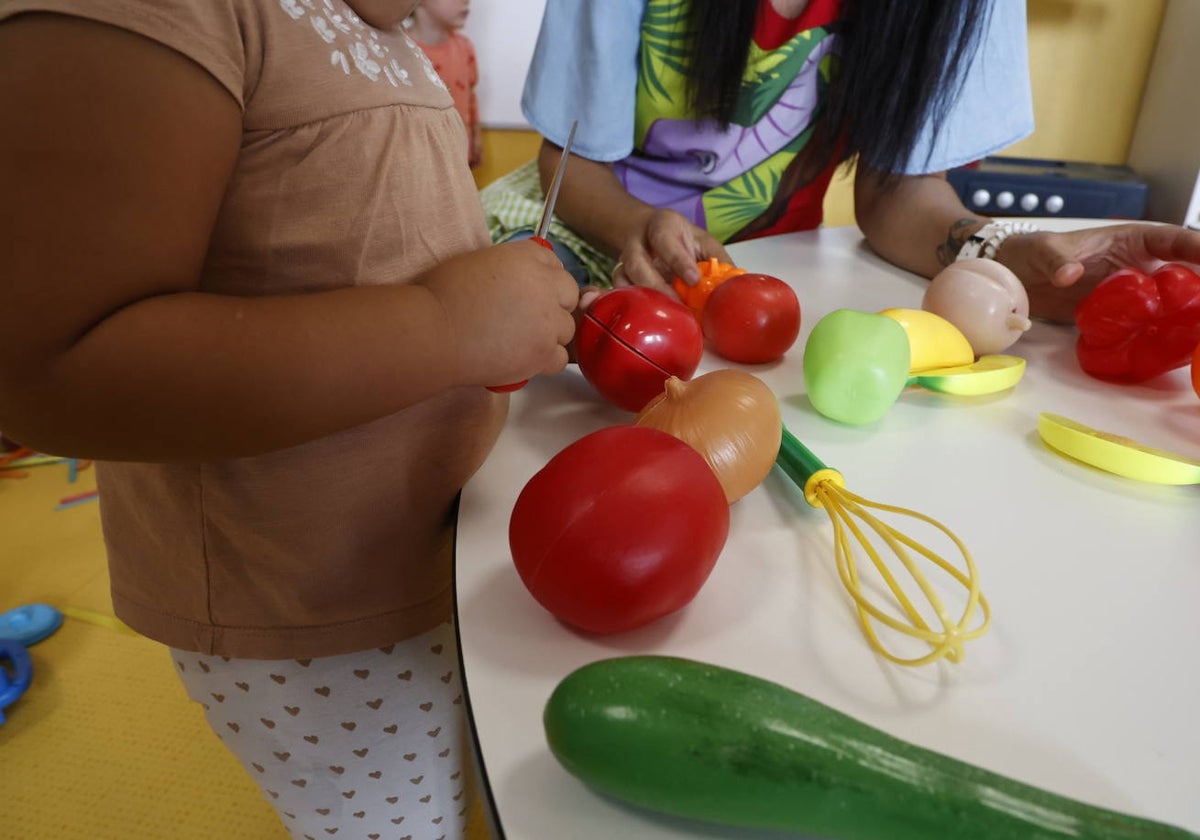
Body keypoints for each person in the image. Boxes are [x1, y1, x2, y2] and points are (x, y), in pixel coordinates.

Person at [0, 2, 578, 839]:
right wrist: (449, 327)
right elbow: (54, 370)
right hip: (306, 612)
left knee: (477, 788)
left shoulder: (384, 33)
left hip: (436, 561)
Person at [482, 0, 1200, 325]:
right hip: (569, 231)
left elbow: (899, 196)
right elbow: (569, 163)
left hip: (754, 280)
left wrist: (1004, 256)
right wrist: (637, 226)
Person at [409, 0, 484, 168]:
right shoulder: (401, 49)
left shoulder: (465, 48)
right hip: (418, 161)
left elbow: (470, 95)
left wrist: (476, 137)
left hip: (459, 156)